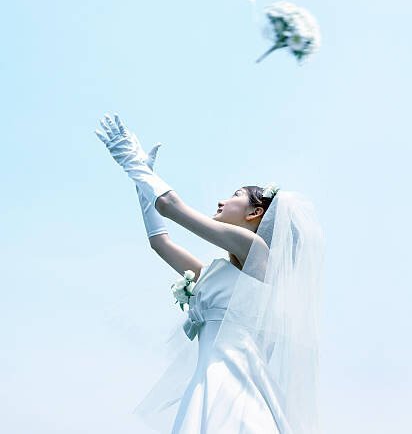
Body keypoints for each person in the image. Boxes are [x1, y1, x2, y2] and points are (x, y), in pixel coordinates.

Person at [95, 113, 325, 433]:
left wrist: (131, 162)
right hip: (211, 377)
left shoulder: (254, 247)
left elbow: (171, 207)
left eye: (234, 196)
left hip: (234, 381)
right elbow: (159, 243)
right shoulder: (217, 274)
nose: (222, 200)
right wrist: (141, 184)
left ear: (255, 213)